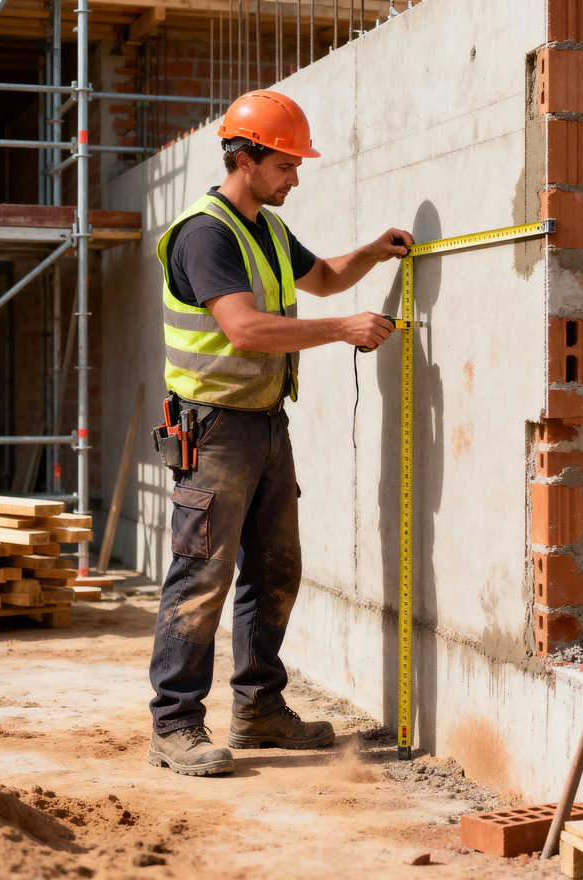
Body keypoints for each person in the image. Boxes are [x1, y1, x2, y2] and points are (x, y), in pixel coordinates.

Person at [147, 89, 414, 776]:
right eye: (287, 165)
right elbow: (244, 328)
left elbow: (322, 278)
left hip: (265, 424)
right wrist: (344, 329)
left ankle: (259, 709)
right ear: (246, 157)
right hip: (214, 432)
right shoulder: (207, 233)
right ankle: (174, 726)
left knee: (276, 571)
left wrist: (374, 254)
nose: (296, 177)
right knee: (201, 578)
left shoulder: (262, 226)